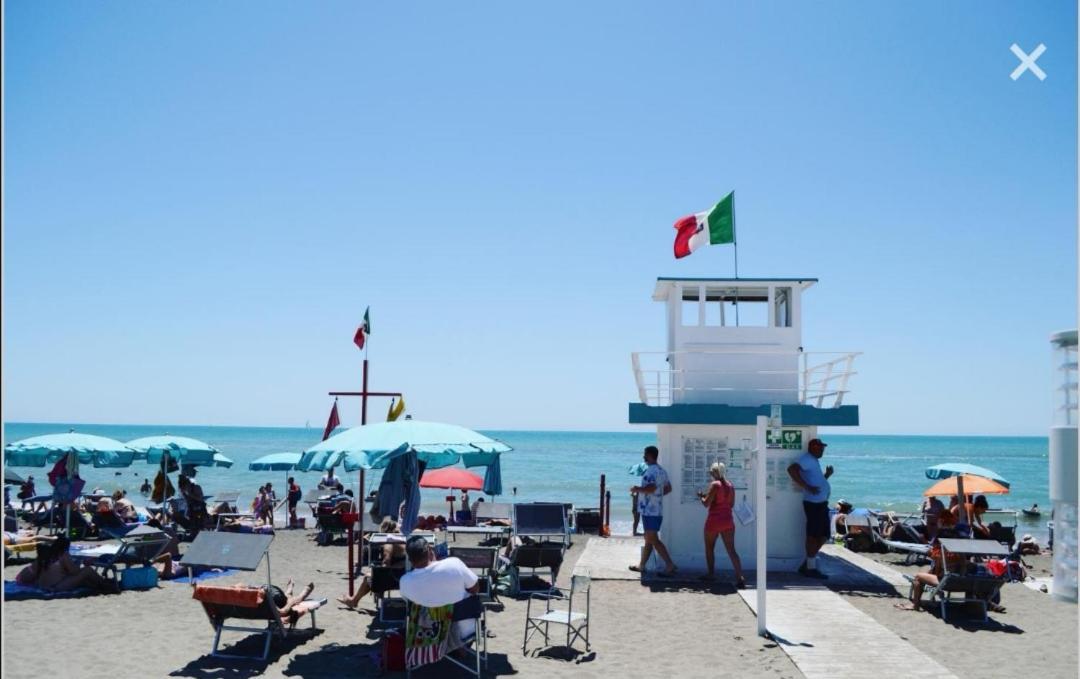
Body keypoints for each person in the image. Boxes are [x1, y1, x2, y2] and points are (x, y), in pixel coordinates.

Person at [399, 535, 480, 650]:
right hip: (464, 632)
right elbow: (475, 588)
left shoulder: (405, 581)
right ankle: (458, 646)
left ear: (410, 560)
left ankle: (445, 645)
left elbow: (411, 605)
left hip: (427, 635)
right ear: (430, 550)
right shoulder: (454, 564)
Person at [787, 438, 833, 579]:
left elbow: (816, 480)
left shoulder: (813, 460)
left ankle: (808, 563)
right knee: (813, 536)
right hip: (813, 504)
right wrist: (806, 487)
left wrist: (826, 476)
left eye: (823, 448)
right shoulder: (807, 459)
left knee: (824, 535)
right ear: (813, 447)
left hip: (821, 503)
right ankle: (810, 568)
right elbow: (791, 469)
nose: (822, 450)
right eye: (820, 448)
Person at [629, 445, 677, 576]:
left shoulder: (650, 471)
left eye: (645, 454)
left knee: (653, 539)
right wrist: (658, 497)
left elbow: (650, 488)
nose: (643, 457)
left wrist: (637, 489)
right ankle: (642, 565)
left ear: (649, 455)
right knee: (648, 538)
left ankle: (670, 564)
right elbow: (668, 488)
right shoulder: (662, 471)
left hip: (650, 511)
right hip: (657, 510)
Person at [337, 517, 406, 609]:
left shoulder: (389, 543)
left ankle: (353, 601)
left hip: (394, 580)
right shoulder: (403, 540)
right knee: (373, 574)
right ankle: (354, 600)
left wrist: (377, 569)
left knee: (368, 576)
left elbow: (386, 563)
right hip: (405, 577)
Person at [697, 462, 745, 588]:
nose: (710, 474)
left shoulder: (715, 485)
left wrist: (701, 497)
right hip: (728, 521)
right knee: (731, 550)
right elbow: (731, 504)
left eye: (711, 472)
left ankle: (711, 574)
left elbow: (706, 503)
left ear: (715, 472)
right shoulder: (730, 485)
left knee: (709, 548)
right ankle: (740, 576)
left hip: (714, 521)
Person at [16, 536, 118, 594]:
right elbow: (75, 572)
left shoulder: (45, 555)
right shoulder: (63, 554)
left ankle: (100, 585)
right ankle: (105, 584)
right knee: (88, 570)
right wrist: (85, 563)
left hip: (43, 586)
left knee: (84, 578)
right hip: (56, 587)